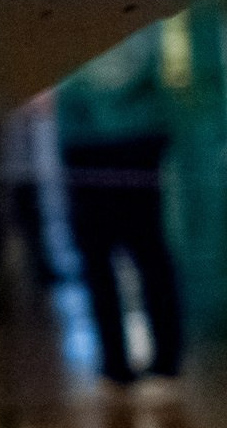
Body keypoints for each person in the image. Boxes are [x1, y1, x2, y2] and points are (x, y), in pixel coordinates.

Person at [55, 20, 188, 391]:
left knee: (144, 250)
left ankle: (160, 362)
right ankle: (118, 363)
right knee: (103, 255)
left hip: (129, 136)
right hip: (96, 138)